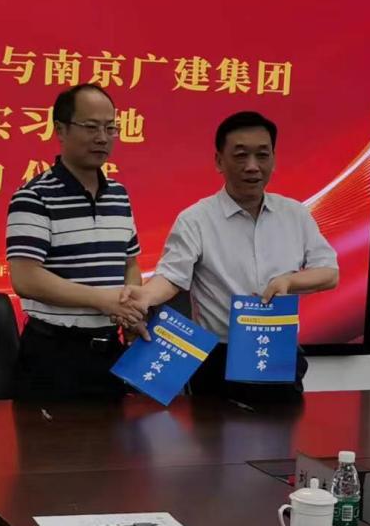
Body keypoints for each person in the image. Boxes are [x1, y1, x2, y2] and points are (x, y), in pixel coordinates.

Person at [123, 110, 337, 402]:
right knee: (213, 432)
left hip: (278, 351)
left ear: (274, 159)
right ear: (219, 161)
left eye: (262, 155)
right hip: (219, 360)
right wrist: (145, 297)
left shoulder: (295, 214)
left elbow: (329, 273)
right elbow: (171, 277)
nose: (252, 166)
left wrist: (289, 281)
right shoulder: (196, 219)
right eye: (240, 156)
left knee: (283, 429)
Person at [5, 83, 145, 401]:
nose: (102, 138)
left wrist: (129, 306)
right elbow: (26, 278)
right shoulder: (34, 196)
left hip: (110, 352)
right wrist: (102, 300)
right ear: (61, 130)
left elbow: (130, 264)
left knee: (116, 434)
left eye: (110, 128)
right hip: (54, 355)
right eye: (91, 127)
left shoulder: (119, 195)